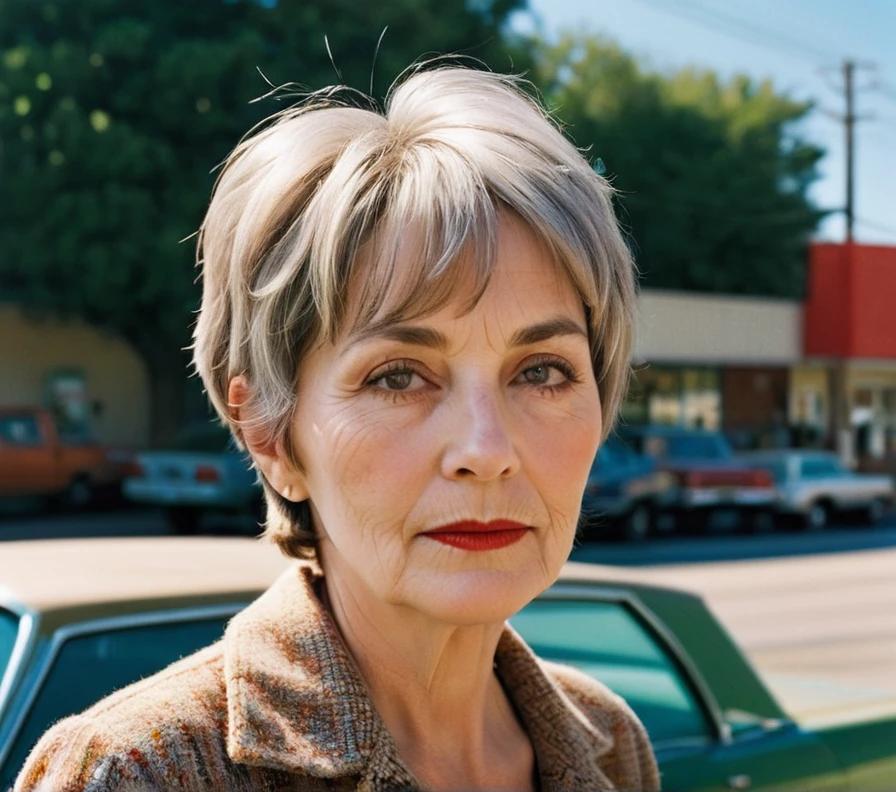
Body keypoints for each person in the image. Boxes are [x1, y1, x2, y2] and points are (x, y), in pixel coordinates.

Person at [15, 65, 660, 792]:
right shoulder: (139, 772)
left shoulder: (608, 741)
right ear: (269, 431)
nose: (486, 451)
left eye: (541, 371)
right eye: (398, 376)